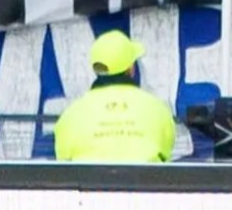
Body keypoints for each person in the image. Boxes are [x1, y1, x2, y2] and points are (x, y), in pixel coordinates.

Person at [53, 30, 176, 163]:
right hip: (143, 182)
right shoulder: (158, 109)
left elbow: (64, 160)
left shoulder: (70, 115)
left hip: (92, 183)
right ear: (130, 69)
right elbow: (165, 153)